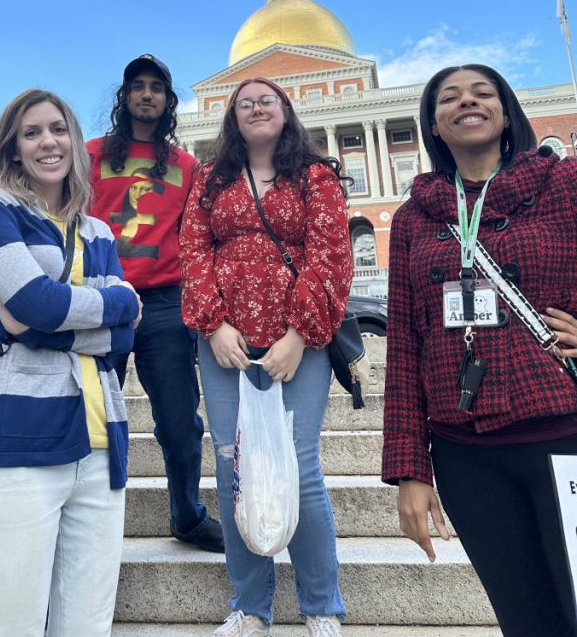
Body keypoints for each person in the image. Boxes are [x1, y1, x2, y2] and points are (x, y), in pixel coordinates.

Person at [382, 63, 577, 637]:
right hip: (466, 456)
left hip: (562, 435)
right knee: (526, 622)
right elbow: (404, 347)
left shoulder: (563, 185)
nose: (466, 102)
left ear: (506, 113)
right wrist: (409, 471)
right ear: (433, 124)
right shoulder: (415, 217)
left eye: (481, 92)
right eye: (449, 98)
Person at [0, 89, 141, 637]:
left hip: (102, 443)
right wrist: (108, 305)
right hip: (20, 437)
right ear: (13, 148)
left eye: (58, 129)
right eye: (31, 133)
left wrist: (38, 322)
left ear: (75, 142)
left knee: (87, 628)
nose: (47, 142)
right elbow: (36, 302)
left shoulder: (98, 231)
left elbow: (123, 336)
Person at [180, 76, 353, 637]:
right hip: (225, 343)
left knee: (299, 467)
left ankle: (321, 605)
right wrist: (213, 325)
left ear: (285, 111)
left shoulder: (315, 176)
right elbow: (193, 249)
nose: (256, 108)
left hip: (298, 340)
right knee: (233, 465)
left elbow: (331, 254)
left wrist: (300, 335)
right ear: (233, 116)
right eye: (245, 103)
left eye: (267, 100)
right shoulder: (211, 177)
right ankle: (251, 607)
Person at [87, 54, 223, 552]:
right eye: (138, 86)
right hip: (101, 298)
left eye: (156, 88)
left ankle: (187, 515)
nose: (147, 94)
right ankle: (88, 523)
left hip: (165, 303)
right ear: (124, 96)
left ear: (168, 101)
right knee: (90, 416)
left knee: (180, 420)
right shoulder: (89, 155)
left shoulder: (186, 166)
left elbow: (197, 236)